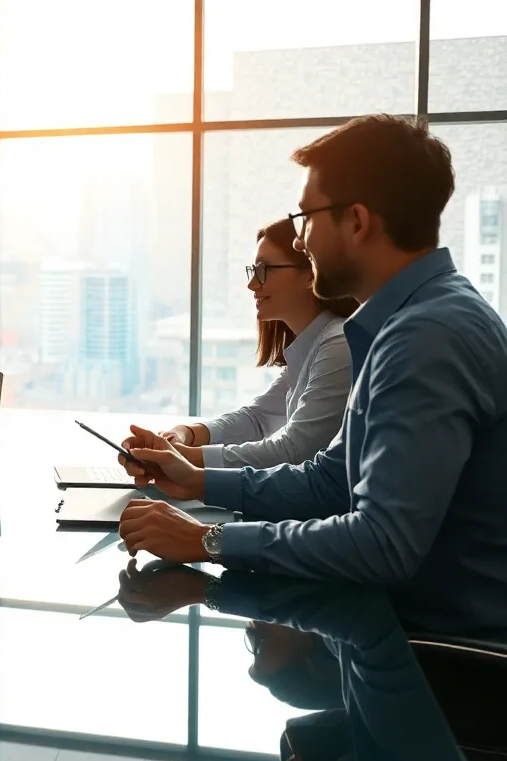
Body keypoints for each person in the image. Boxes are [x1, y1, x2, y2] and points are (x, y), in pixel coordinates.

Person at [114, 114, 507, 637]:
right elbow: (330, 481)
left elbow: (382, 545)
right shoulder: (413, 321)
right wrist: (197, 479)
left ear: (357, 222)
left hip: (441, 653)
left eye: (305, 218)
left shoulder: (425, 338)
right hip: (405, 628)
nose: (300, 241)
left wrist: (207, 541)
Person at [161, 219, 357, 469]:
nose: (252, 284)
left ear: (311, 273)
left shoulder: (337, 344)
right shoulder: (310, 347)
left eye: (265, 269)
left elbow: (294, 449)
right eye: (253, 270)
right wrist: (185, 434)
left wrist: (183, 458)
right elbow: (257, 418)